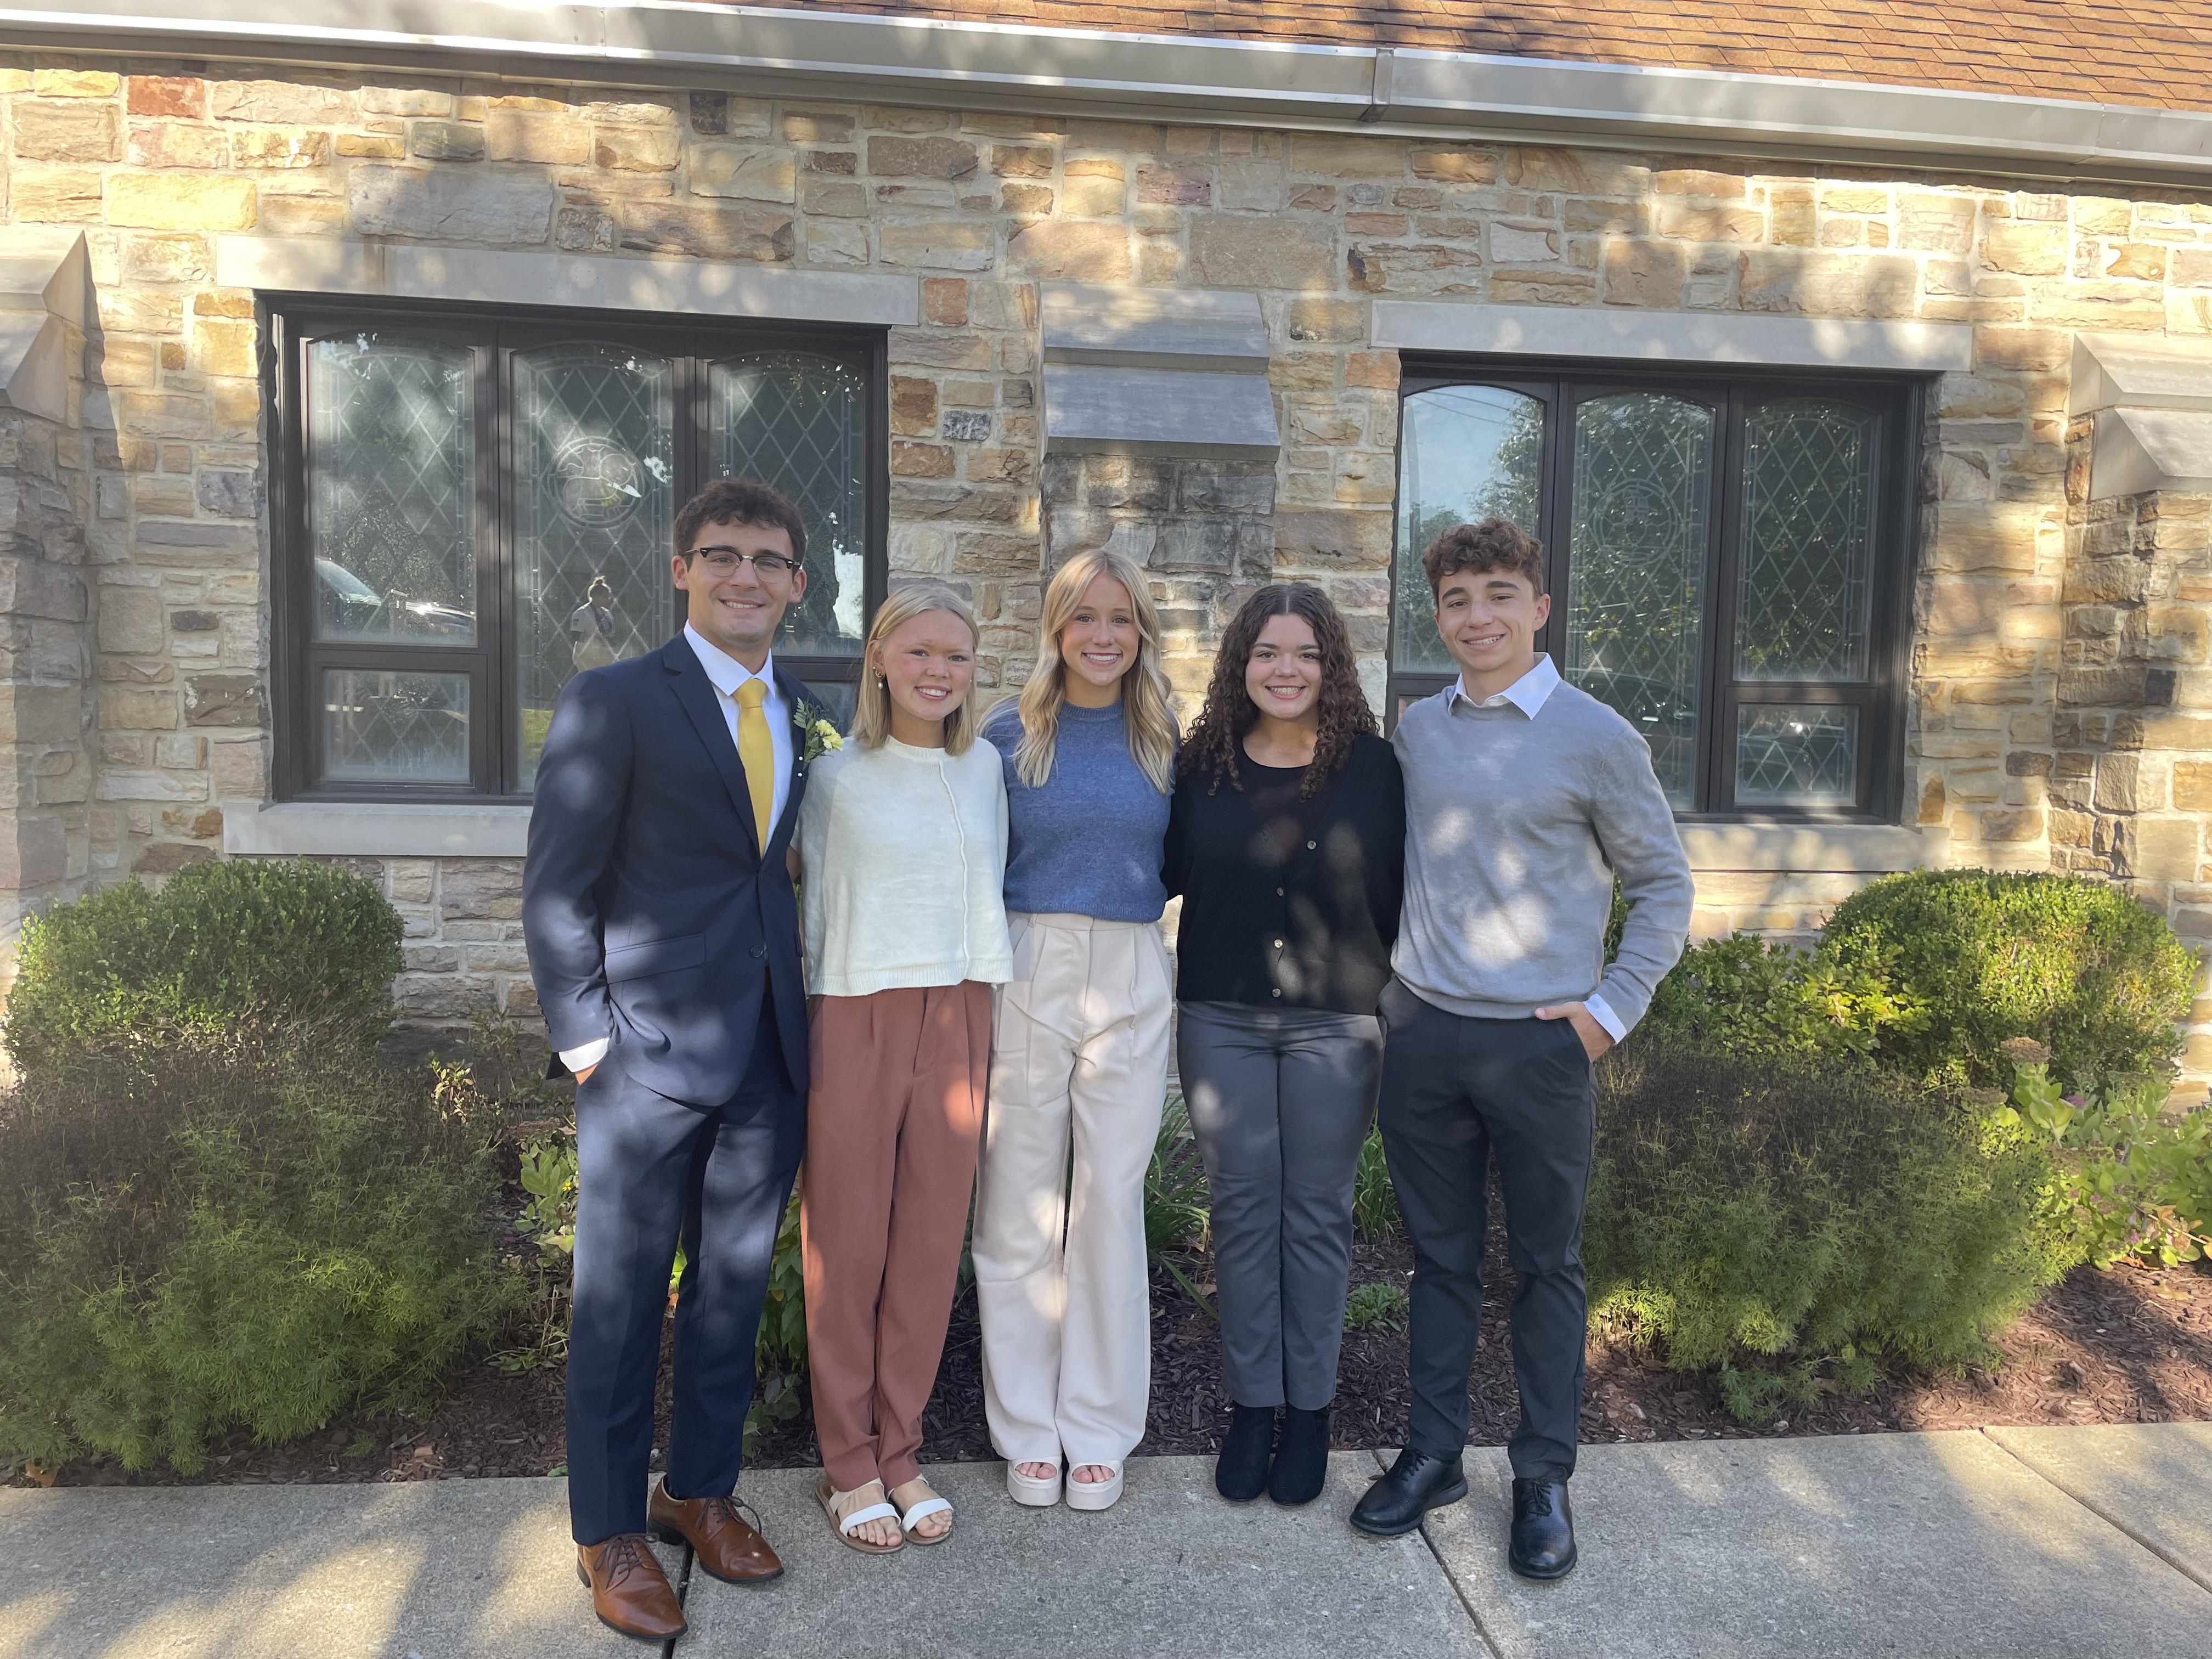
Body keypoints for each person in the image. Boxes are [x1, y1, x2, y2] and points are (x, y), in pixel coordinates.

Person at [1348, 518, 1692, 1580]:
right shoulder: (1419, 731)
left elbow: (1666, 885)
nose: (1478, 616)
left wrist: (1607, 1012)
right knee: (1440, 1263)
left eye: (1500, 594)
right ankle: (1434, 1452)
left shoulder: (1598, 737)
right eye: (1457, 599)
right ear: (1439, 615)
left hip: (1543, 1046)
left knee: (1547, 1267)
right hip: (1425, 1037)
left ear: (1539, 608)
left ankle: (1542, 1475)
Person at [523, 479, 815, 1644]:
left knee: (731, 1295)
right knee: (621, 1303)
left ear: (799, 583)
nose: (746, 575)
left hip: (767, 1056)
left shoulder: (803, 706)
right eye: (723, 554)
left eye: (769, 560)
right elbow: (557, 886)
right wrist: (589, 1042)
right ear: (683, 570)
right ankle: (607, 1531)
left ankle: (696, 1491)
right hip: (642, 1058)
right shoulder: (615, 699)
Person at [1164, 584, 1404, 1509]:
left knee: (1315, 1212)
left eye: (1304, 652)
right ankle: (1251, 1404)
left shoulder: (1377, 769)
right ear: (1241, 663)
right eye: (1267, 651)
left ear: (1331, 664)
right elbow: (1161, 870)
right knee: (1239, 1209)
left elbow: (1408, 888)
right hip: (1219, 1014)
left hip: (1335, 1021)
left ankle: (1311, 1409)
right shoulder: (1202, 766)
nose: (1285, 669)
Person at [795, 583, 1011, 1554]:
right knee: (847, 1244)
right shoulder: (837, 777)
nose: (938, 671)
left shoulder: (986, 770)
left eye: (957, 656)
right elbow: (811, 918)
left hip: (962, 1006)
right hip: (858, 1007)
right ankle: (847, 1460)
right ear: (879, 658)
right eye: (920, 652)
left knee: (929, 1243)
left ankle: (902, 1447)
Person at [970, 547, 1178, 1513]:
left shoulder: (1164, 739)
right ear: (1056, 627)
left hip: (1134, 964)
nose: (1103, 635)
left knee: (1106, 1198)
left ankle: (1096, 1421)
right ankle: (1026, 1425)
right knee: (1018, 1201)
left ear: (1141, 632)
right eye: (1084, 617)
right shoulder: (1009, 735)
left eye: (1121, 618)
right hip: (1028, 960)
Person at [569, 575, 620, 672]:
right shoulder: (582, 613)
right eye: (606, 596)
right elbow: (575, 635)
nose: (609, 599)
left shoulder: (607, 614)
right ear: (595, 596)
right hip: (587, 658)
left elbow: (611, 635)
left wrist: (611, 643)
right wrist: (594, 639)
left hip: (604, 658)